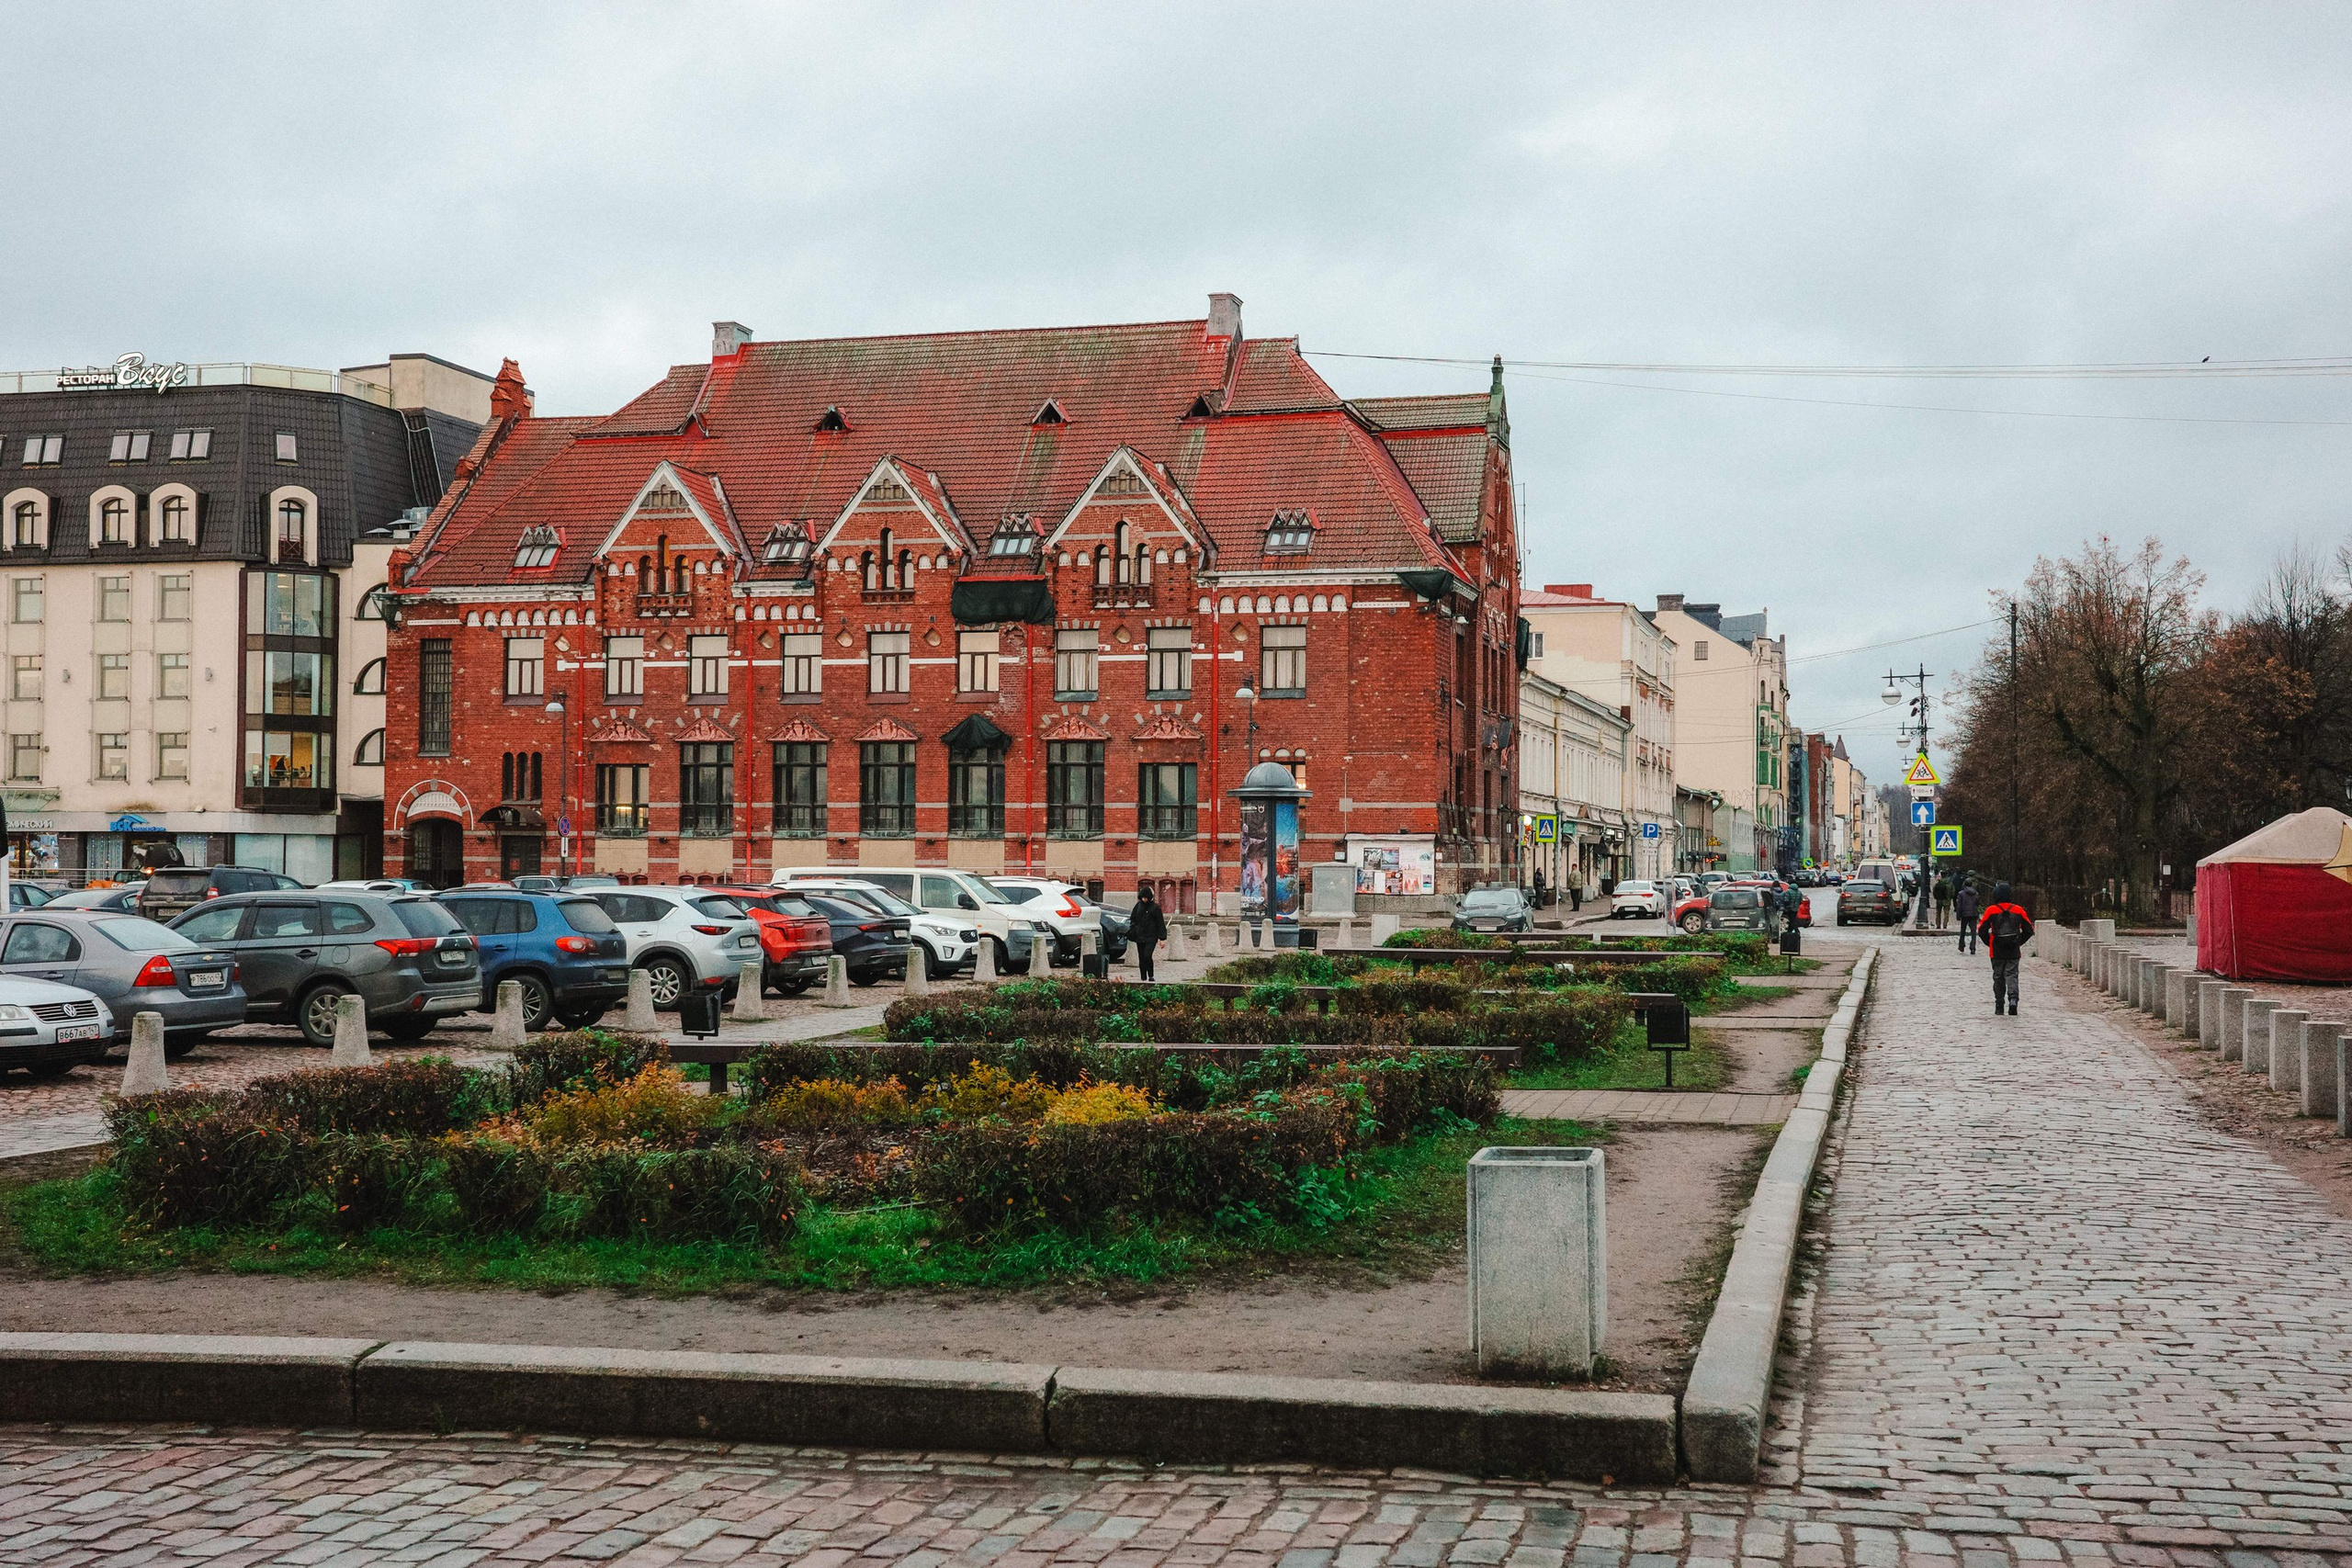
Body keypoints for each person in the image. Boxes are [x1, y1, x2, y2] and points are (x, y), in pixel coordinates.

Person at [1975, 882, 2035, 1016]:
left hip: (1996, 949)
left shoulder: (1991, 910)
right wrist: (2018, 941)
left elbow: (1981, 930)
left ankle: (1999, 1003)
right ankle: (2013, 1000)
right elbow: (2029, 930)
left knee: (1998, 976)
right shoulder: (2018, 910)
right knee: (2012, 975)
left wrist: (1990, 942)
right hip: (2013, 949)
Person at [1129, 884, 1168, 982]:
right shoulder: (1138, 906)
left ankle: (1150, 975)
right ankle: (1143, 977)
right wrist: (1134, 928)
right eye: (1142, 897)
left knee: (1147, 955)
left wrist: (1162, 938)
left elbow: (1160, 923)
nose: (1144, 899)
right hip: (1140, 935)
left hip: (1151, 936)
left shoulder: (1155, 908)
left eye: (1146, 897)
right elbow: (1133, 918)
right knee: (1141, 957)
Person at [1953, 875, 1982, 953]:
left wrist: (1958, 915)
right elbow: (1977, 904)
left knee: (1963, 930)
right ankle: (1973, 947)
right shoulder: (1975, 893)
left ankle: (1961, 945)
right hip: (1973, 914)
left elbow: (1959, 906)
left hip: (1964, 914)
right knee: (1973, 932)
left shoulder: (1961, 894)